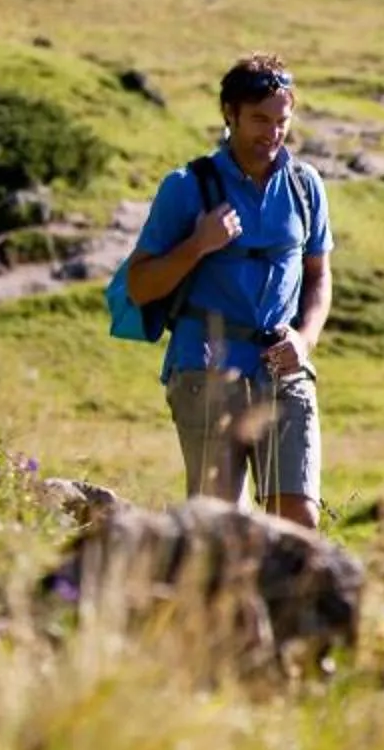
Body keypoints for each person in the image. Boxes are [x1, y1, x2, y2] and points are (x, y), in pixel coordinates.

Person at [122, 53, 334, 530]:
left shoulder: (306, 186)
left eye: (281, 120)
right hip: (203, 370)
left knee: (298, 521)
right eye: (259, 119)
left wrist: (305, 340)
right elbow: (139, 284)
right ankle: (218, 605)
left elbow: (319, 275)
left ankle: (284, 605)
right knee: (218, 525)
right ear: (228, 113)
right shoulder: (186, 187)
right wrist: (199, 244)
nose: (272, 133)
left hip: (282, 371)